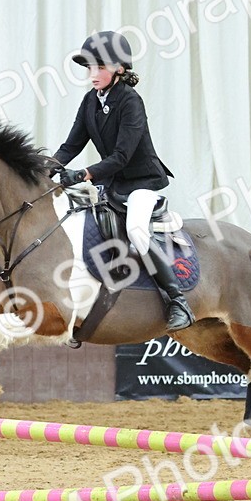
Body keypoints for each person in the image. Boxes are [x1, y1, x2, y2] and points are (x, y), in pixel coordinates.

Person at [54, 30, 194, 332]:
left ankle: (177, 300)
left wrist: (83, 174)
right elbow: (70, 146)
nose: (93, 74)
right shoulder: (90, 101)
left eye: (100, 67)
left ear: (119, 68)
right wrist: (44, 169)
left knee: (137, 230)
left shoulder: (131, 102)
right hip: (113, 185)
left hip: (142, 182)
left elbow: (121, 156)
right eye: (89, 67)